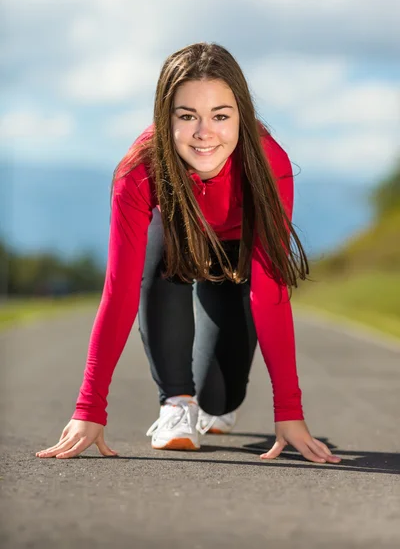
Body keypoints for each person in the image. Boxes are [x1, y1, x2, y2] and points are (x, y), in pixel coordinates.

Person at [36, 42, 341, 464]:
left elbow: (268, 290)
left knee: (219, 399)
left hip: (234, 252)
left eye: (220, 115)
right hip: (177, 235)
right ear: (165, 118)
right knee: (162, 247)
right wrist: (89, 408)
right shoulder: (139, 169)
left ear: (240, 116)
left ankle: (208, 401)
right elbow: (119, 291)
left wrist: (289, 412)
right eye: (186, 116)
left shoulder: (271, 164)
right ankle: (177, 404)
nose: (204, 133)